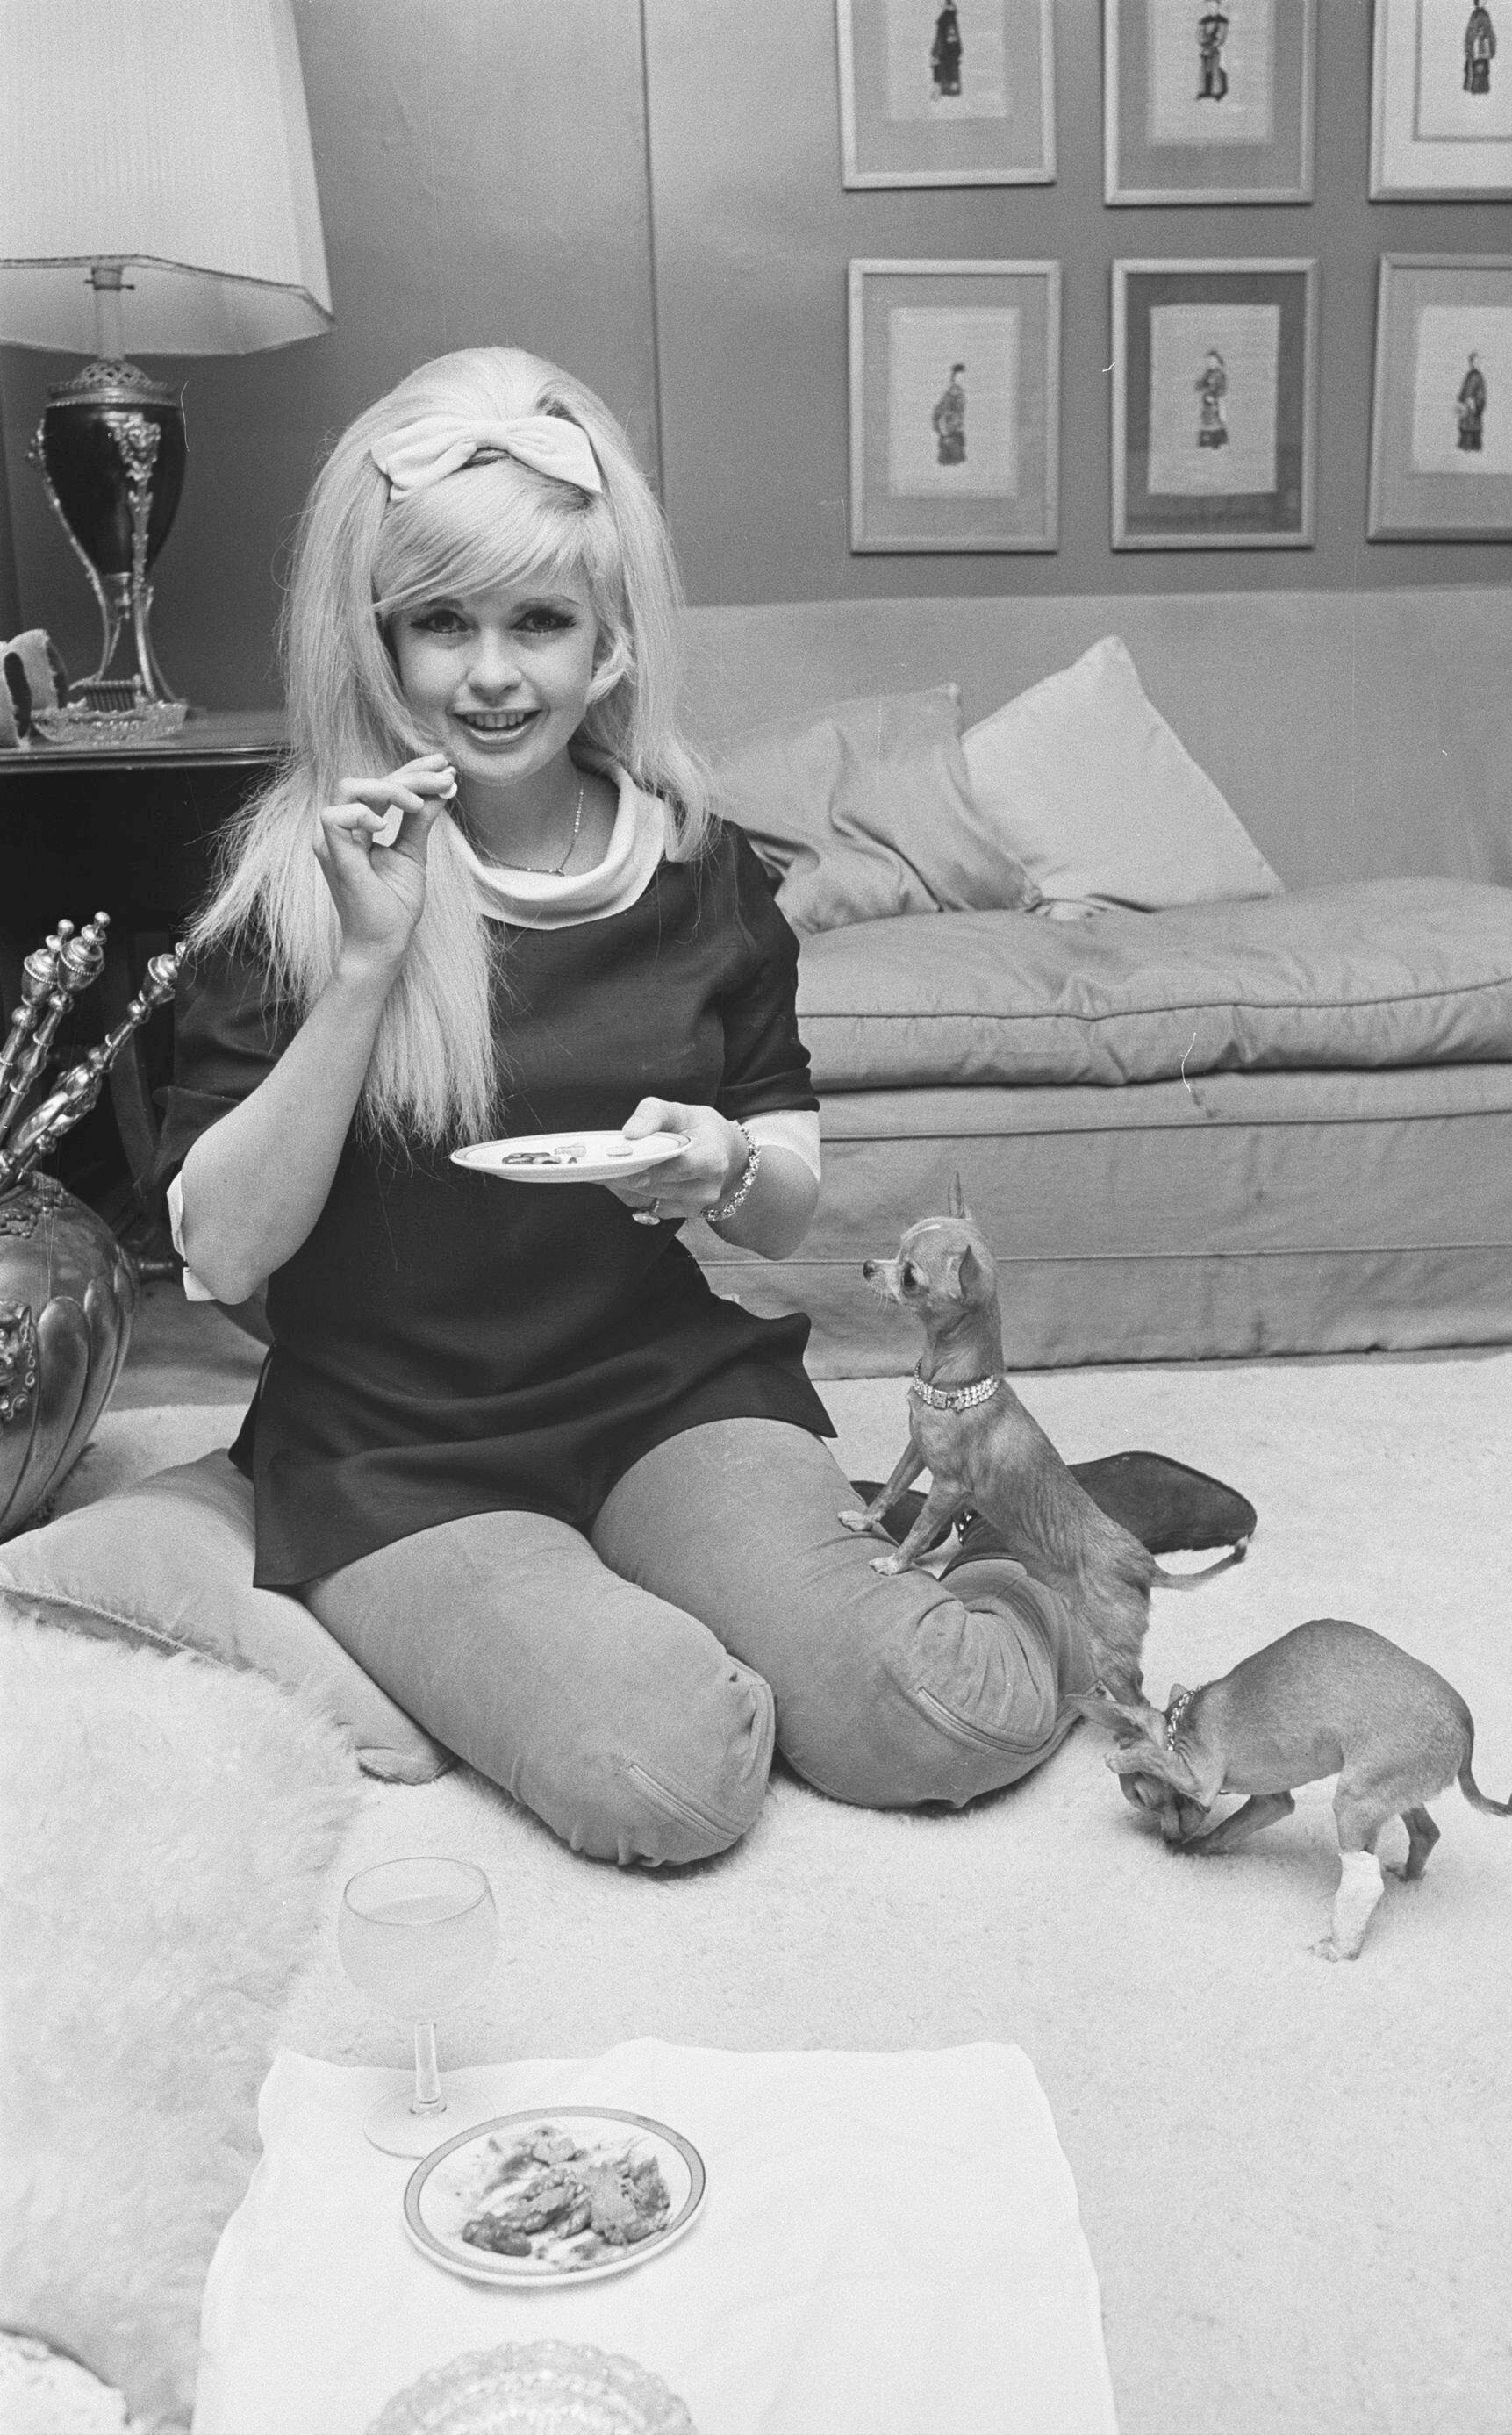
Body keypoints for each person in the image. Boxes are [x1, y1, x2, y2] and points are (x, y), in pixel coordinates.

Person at [156, 347, 1087, 1866]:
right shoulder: (302, 885)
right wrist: (368, 966)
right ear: (376, 642)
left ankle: (987, 1567)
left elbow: (784, 1205)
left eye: (538, 621)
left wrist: (725, 1165)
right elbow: (226, 1253)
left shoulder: (700, 863)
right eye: (440, 623)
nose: (491, 673)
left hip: (661, 1393)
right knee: (670, 1780)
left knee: (944, 1720)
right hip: (397, 1447)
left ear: (607, 645)